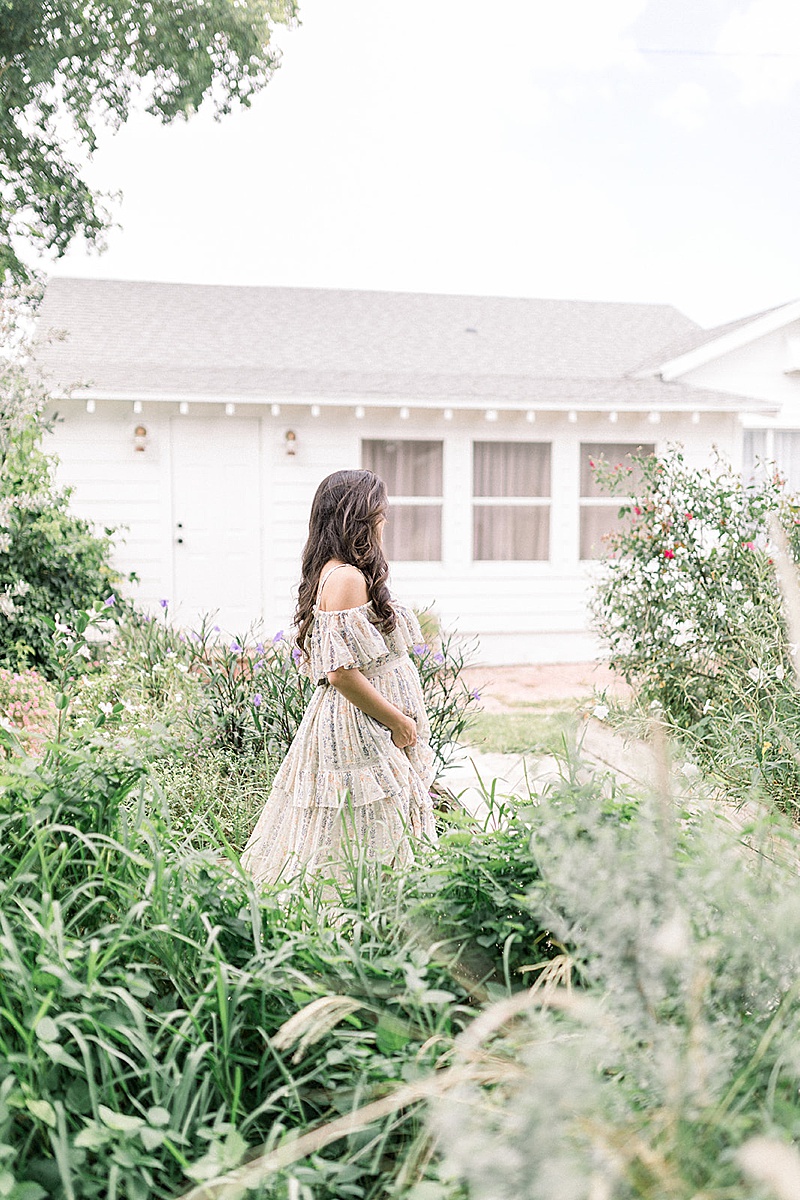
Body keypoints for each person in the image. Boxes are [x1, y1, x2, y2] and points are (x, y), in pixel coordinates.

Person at [241, 468, 437, 888]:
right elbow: (341, 674)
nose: (385, 519)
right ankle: (365, 914)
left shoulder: (338, 570)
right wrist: (398, 721)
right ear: (359, 516)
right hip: (361, 725)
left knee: (361, 824)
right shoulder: (346, 577)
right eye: (379, 511)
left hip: (362, 721)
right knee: (377, 821)